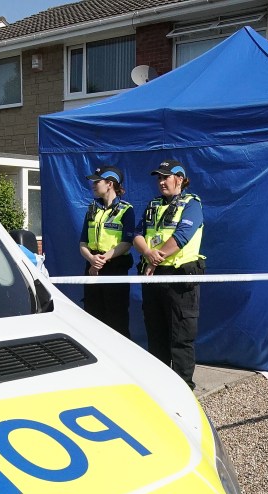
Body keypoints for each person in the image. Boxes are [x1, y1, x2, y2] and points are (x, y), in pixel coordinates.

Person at [133, 159, 205, 389]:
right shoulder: (152, 205)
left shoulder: (192, 204)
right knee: (156, 334)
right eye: (159, 178)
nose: (161, 182)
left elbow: (182, 236)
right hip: (153, 278)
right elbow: (137, 233)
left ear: (180, 179)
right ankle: (160, 386)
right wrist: (147, 252)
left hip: (179, 280)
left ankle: (183, 388)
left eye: (166, 177)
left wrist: (156, 257)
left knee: (181, 337)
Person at [78, 165, 134, 338]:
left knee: (116, 320)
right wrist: (91, 259)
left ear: (110, 183)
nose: (93, 185)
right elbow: (82, 243)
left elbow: (127, 242)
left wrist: (101, 260)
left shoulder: (126, 209)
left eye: (97, 181)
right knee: (93, 317)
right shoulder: (92, 209)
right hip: (92, 269)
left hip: (114, 268)